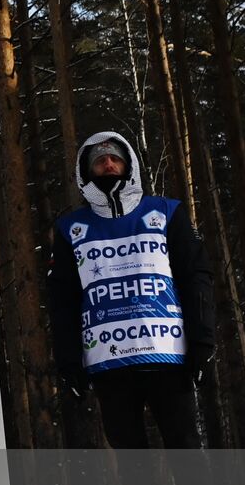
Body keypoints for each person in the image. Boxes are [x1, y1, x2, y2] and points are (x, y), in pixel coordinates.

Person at [46, 131, 215, 451]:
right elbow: (62, 300)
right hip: (109, 363)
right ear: (87, 171)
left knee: (186, 446)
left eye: (115, 158)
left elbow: (196, 276)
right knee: (130, 457)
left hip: (168, 354)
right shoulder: (70, 229)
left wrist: (202, 339)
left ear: (129, 164)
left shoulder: (166, 212)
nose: (108, 163)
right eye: (99, 160)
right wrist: (69, 362)